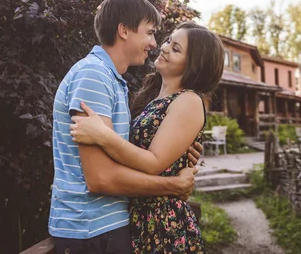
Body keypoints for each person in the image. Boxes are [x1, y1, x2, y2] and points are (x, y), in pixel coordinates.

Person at [49, 0, 203, 254]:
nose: (155, 43)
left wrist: (179, 155)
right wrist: (172, 185)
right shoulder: (94, 76)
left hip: (104, 226)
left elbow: (124, 155)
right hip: (92, 230)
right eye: (150, 33)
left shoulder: (111, 80)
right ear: (124, 31)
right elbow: (100, 178)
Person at [70, 21, 225, 253]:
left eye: (176, 49)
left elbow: (153, 163)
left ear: (194, 65)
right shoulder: (153, 99)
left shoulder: (189, 101)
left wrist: (102, 135)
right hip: (138, 216)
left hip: (163, 225)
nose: (163, 47)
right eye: (168, 41)